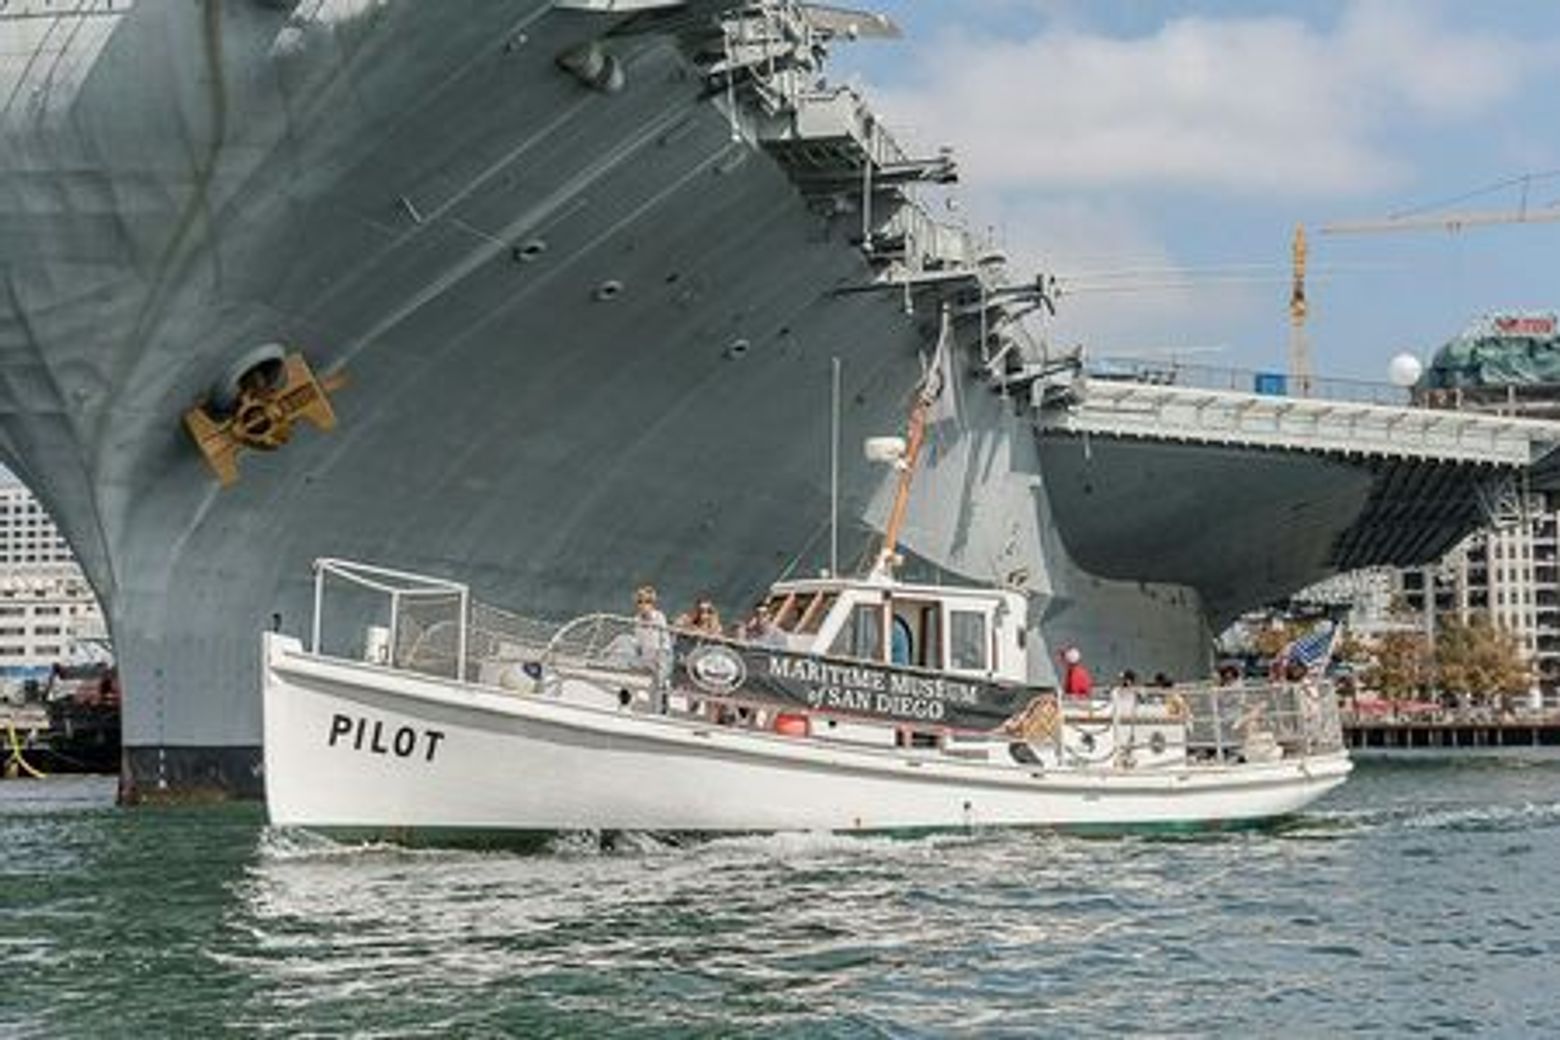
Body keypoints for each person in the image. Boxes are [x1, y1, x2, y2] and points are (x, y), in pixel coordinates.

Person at [632, 585, 672, 703]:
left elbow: (665, 638)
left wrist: (663, 655)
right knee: (651, 682)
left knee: (660, 684)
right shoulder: (637, 619)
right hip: (646, 656)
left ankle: (660, 706)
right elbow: (638, 639)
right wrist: (638, 651)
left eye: (647, 602)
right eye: (640, 602)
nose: (643, 605)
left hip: (660, 656)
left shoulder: (659, 616)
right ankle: (653, 703)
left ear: (652, 603)